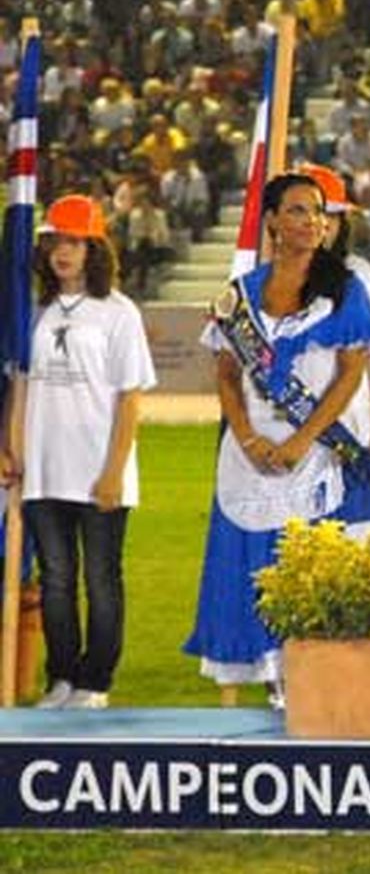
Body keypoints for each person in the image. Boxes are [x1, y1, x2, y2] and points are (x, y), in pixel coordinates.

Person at [184, 173, 370, 701]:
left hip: (318, 451)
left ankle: (324, 677)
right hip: (252, 455)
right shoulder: (239, 296)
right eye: (298, 210)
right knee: (261, 563)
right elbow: (227, 374)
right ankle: (278, 680)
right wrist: (249, 436)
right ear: (272, 220)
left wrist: (302, 441)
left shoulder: (345, 289)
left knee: (322, 564)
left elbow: (351, 374)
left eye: (318, 212)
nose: (313, 221)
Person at [0, 195, 156, 709]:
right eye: (54, 244)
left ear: (94, 249)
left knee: (100, 579)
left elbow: (129, 396)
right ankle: (61, 677)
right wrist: (12, 448)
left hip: (98, 471)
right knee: (57, 581)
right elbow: (21, 385)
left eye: (73, 242)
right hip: (45, 471)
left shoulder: (118, 314)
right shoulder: (37, 314)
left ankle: (96, 682)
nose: (62, 253)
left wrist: (113, 471)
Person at [297, 163, 370, 472]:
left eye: (330, 215)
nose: (320, 224)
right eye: (307, 212)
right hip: (282, 430)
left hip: (347, 429)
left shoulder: (358, 275)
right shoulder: (266, 277)